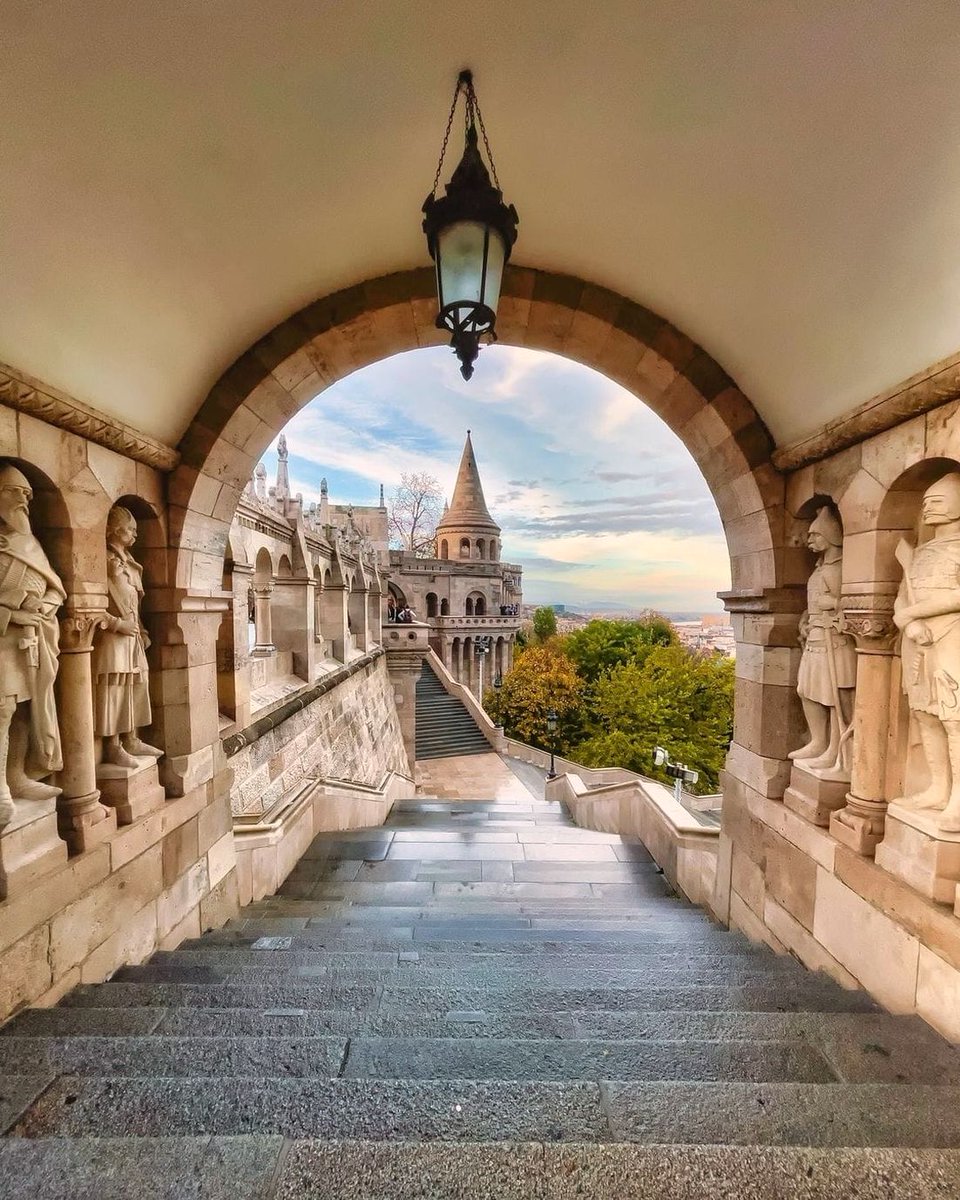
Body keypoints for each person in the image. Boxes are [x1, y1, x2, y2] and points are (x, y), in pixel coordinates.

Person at [893, 472, 960, 829]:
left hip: (952, 639)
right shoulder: (919, 553)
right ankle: (938, 788)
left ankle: (958, 801)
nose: (927, 507)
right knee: (924, 714)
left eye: (937, 501)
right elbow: (902, 599)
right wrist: (908, 623)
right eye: (925, 502)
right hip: (917, 641)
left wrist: (914, 614)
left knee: (955, 719)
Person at [0, 463, 66, 824]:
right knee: (3, 710)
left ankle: (17, 776)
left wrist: (46, 605)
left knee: (27, 710)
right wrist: (14, 613)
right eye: (16, 492)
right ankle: (1, 788)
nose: (24, 500)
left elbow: (56, 586)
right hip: (6, 640)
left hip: (32, 641)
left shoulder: (31, 541)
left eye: (28, 494)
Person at [93, 506, 162, 769]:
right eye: (130, 529)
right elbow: (87, 604)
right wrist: (117, 624)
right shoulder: (100, 558)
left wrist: (140, 629)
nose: (135, 534)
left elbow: (135, 605)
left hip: (132, 637)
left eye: (135, 529)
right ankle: (113, 746)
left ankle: (132, 737)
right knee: (114, 689)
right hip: (111, 638)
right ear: (114, 528)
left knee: (137, 683)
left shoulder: (131, 565)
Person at [789, 506, 856, 775]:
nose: (810, 541)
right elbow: (812, 605)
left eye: (816, 535)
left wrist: (836, 604)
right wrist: (805, 620)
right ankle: (818, 741)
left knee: (833, 695)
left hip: (835, 641)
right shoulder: (819, 569)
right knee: (806, 689)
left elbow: (860, 606)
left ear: (830, 536)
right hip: (816, 637)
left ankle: (833, 749)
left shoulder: (844, 568)